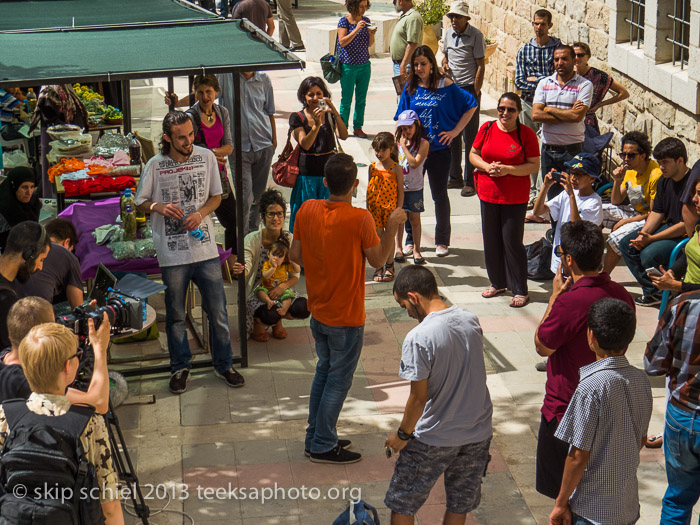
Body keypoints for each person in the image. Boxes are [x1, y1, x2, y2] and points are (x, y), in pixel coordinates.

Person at [290, 153, 407, 464]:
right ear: (355, 184)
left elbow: (296, 255)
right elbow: (379, 261)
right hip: (347, 317)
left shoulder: (307, 209)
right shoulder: (360, 219)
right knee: (337, 381)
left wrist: (323, 261)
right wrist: (392, 226)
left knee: (324, 374)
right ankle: (322, 444)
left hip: (319, 311)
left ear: (326, 182)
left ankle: (316, 434)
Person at [135, 111, 245, 394]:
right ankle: (180, 367)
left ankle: (224, 364)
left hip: (205, 249)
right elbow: (140, 202)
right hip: (172, 255)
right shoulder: (155, 165)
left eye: (191, 134)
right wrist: (158, 207)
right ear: (167, 138)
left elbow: (217, 196)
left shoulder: (207, 157)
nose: (188, 141)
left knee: (218, 311)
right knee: (175, 315)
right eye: (181, 137)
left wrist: (200, 214)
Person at [384, 265, 492, 524]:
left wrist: (402, 436)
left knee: (403, 502)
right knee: (460, 503)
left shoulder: (419, 336)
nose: (408, 313)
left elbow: (418, 398)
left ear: (413, 297)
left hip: (435, 436)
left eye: (404, 306)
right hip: (477, 432)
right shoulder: (470, 319)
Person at [534, 220, 634, 500]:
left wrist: (554, 297)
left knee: (562, 497)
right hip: (608, 404)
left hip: (565, 409)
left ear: (568, 259)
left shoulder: (569, 301)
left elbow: (542, 346)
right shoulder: (622, 294)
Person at [0, 323, 124, 524]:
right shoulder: (89, 424)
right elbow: (109, 505)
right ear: (68, 366)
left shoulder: (5, 416)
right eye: (77, 354)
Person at [549, 298, 651, 525]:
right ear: (629, 339)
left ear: (591, 336)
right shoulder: (641, 380)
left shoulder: (590, 387)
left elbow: (577, 456)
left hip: (591, 510)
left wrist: (560, 503)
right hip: (626, 506)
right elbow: (641, 438)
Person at [395, 45, 477, 257]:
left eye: (423, 63)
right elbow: (402, 116)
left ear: (432, 64)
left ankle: (442, 240)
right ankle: (411, 240)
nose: (419, 68)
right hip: (414, 151)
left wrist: (455, 131)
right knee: (410, 194)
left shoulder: (445, 84)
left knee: (439, 195)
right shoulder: (410, 87)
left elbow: (471, 104)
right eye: (416, 64)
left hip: (439, 150)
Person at [469, 92, 540, 308]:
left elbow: (534, 165)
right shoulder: (487, 128)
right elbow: (473, 154)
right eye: (502, 108)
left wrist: (507, 169)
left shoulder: (526, 134)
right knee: (490, 240)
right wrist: (486, 167)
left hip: (514, 197)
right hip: (488, 193)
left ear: (519, 112)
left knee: (511, 241)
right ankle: (497, 282)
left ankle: (520, 289)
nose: (505, 113)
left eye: (510, 109)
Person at [0, 297, 111, 415]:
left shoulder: (6, 358)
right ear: (43, 335)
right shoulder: (27, 380)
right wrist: (100, 348)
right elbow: (98, 403)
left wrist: (84, 318)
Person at [645, 287, 700, 523]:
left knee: (677, 499)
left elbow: (653, 365)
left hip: (683, 415)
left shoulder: (682, 304)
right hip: (682, 414)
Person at [618, 137, 692, 306]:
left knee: (648, 254)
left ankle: (664, 289)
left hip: (683, 234)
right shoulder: (664, 180)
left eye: (665, 162)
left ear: (680, 160)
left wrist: (651, 239)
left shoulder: (691, 184)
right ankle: (653, 292)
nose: (661, 167)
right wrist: (644, 234)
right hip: (668, 226)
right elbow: (657, 212)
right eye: (659, 162)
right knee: (627, 244)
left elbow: (684, 226)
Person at [233, 189, 310, 342]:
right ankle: (260, 323)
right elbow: (246, 262)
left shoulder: (288, 237)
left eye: (280, 214)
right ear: (263, 216)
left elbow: (295, 275)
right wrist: (241, 269)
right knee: (270, 313)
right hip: (257, 290)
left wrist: (283, 286)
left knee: (303, 308)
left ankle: (277, 322)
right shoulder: (252, 239)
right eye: (271, 214)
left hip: (280, 287)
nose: (276, 218)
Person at [185, 75, 238, 266]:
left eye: (208, 91)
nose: (205, 96)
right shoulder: (190, 117)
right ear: (195, 93)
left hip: (219, 177)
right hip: (197, 179)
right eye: (200, 92)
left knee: (233, 221)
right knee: (197, 221)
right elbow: (187, 149)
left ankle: (232, 263)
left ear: (216, 91)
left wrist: (212, 153)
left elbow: (229, 146)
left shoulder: (222, 112)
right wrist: (210, 156)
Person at [531, 44, 593, 201]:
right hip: (548, 151)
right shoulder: (544, 83)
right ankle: (554, 226)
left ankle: (568, 226)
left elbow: (577, 117)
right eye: (556, 59)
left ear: (574, 60)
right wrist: (568, 112)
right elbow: (536, 115)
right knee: (551, 197)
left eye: (564, 59)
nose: (560, 62)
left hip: (571, 150)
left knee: (572, 196)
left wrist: (549, 109)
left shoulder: (584, 85)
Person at [288, 77, 348, 234]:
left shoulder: (328, 116)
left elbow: (343, 135)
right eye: (310, 94)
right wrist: (315, 125)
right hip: (307, 177)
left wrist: (334, 112)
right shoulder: (297, 117)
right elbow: (305, 144)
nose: (315, 98)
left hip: (327, 178)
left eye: (319, 94)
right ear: (303, 97)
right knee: (308, 221)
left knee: (328, 222)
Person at [514, 9, 561, 205]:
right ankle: (532, 193)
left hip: (551, 106)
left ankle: (545, 193)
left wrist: (537, 80)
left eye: (543, 24)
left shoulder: (558, 49)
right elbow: (519, 81)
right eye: (536, 23)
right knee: (530, 148)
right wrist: (545, 82)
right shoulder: (525, 50)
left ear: (550, 25)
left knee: (546, 147)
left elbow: (559, 79)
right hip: (527, 104)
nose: (539, 27)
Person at [532, 152, 603, 275]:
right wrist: (545, 186)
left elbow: (577, 227)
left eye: (579, 175)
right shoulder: (567, 194)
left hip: (579, 261)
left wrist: (571, 195)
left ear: (592, 178)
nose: (573, 178)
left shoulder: (594, 202)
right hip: (561, 257)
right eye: (571, 173)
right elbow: (538, 211)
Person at [601, 131, 662, 274]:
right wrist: (617, 181)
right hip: (633, 211)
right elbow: (616, 201)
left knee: (614, 238)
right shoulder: (630, 169)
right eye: (623, 155)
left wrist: (625, 222)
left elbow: (654, 213)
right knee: (595, 211)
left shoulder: (655, 175)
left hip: (648, 218)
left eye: (631, 155)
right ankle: (591, 262)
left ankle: (604, 275)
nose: (626, 159)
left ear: (643, 155)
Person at [442, 0, 485, 198]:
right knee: (452, 134)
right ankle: (454, 176)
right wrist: (444, 66)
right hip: (452, 90)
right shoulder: (447, 33)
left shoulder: (476, 35)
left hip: (468, 90)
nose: (453, 20)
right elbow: (445, 57)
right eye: (451, 16)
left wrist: (475, 93)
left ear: (466, 18)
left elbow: (480, 66)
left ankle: (470, 181)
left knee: (470, 137)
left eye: (457, 16)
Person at [0, 222, 50, 350]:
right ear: (28, 253)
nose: (40, 267)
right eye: (41, 259)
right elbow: (16, 352)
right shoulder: (5, 299)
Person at [15, 218, 84, 308]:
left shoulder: (26, 247)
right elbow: (78, 307)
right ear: (67, 242)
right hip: (37, 310)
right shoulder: (68, 255)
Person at [650, 176, 700, 294]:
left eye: (699, 193)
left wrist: (677, 286)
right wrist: (672, 272)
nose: (694, 199)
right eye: (695, 193)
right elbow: (690, 254)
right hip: (687, 298)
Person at [337, 0, 377, 138]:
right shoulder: (344, 21)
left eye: (365, 6)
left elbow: (370, 44)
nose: (364, 9)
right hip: (348, 66)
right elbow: (342, 42)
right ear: (353, 6)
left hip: (364, 66)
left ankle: (358, 127)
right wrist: (356, 29)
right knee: (346, 100)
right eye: (361, 6)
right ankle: (342, 128)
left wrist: (372, 34)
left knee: (361, 99)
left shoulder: (366, 21)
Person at [368, 132, 404, 282]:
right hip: (375, 209)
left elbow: (401, 191)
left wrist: (398, 210)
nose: (379, 153)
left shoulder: (396, 169)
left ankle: (389, 265)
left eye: (383, 150)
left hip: (390, 210)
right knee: (378, 238)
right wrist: (368, 209)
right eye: (377, 150)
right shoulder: (372, 167)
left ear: (391, 149)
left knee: (389, 238)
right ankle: (379, 265)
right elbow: (369, 190)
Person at [394, 110, 429, 265]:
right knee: (400, 220)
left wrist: (404, 147)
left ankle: (416, 250)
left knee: (415, 219)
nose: (406, 131)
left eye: (409, 127)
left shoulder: (423, 143)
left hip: (415, 188)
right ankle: (399, 248)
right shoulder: (398, 143)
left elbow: (415, 163)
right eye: (403, 129)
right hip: (400, 188)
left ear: (416, 125)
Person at [572, 41, 629, 133]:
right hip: (569, 119)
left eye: (580, 55)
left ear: (588, 56)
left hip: (588, 123)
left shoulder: (598, 76)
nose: (576, 58)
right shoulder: (567, 74)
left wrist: (600, 104)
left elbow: (624, 93)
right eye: (573, 55)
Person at [254, 238, 300, 319]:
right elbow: (265, 276)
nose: (276, 258)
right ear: (268, 254)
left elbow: (297, 270)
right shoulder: (267, 264)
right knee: (259, 291)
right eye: (274, 254)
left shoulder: (285, 266)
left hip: (282, 290)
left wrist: (293, 262)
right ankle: (268, 301)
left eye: (280, 256)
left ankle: (284, 309)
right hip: (266, 288)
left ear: (284, 259)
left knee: (288, 296)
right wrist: (273, 268)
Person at [0, 166, 42, 253]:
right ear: (14, 187)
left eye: (32, 187)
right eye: (24, 187)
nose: (29, 192)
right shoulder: (4, 209)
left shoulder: (34, 202)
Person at [389, 0, 423, 78]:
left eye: (395, 1)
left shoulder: (413, 17)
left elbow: (412, 44)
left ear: (401, 1)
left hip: (406, 65)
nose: (393, 3)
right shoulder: (406, 16)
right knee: (402, 90)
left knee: (406, 90)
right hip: (401, 64)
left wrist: (403, 65)